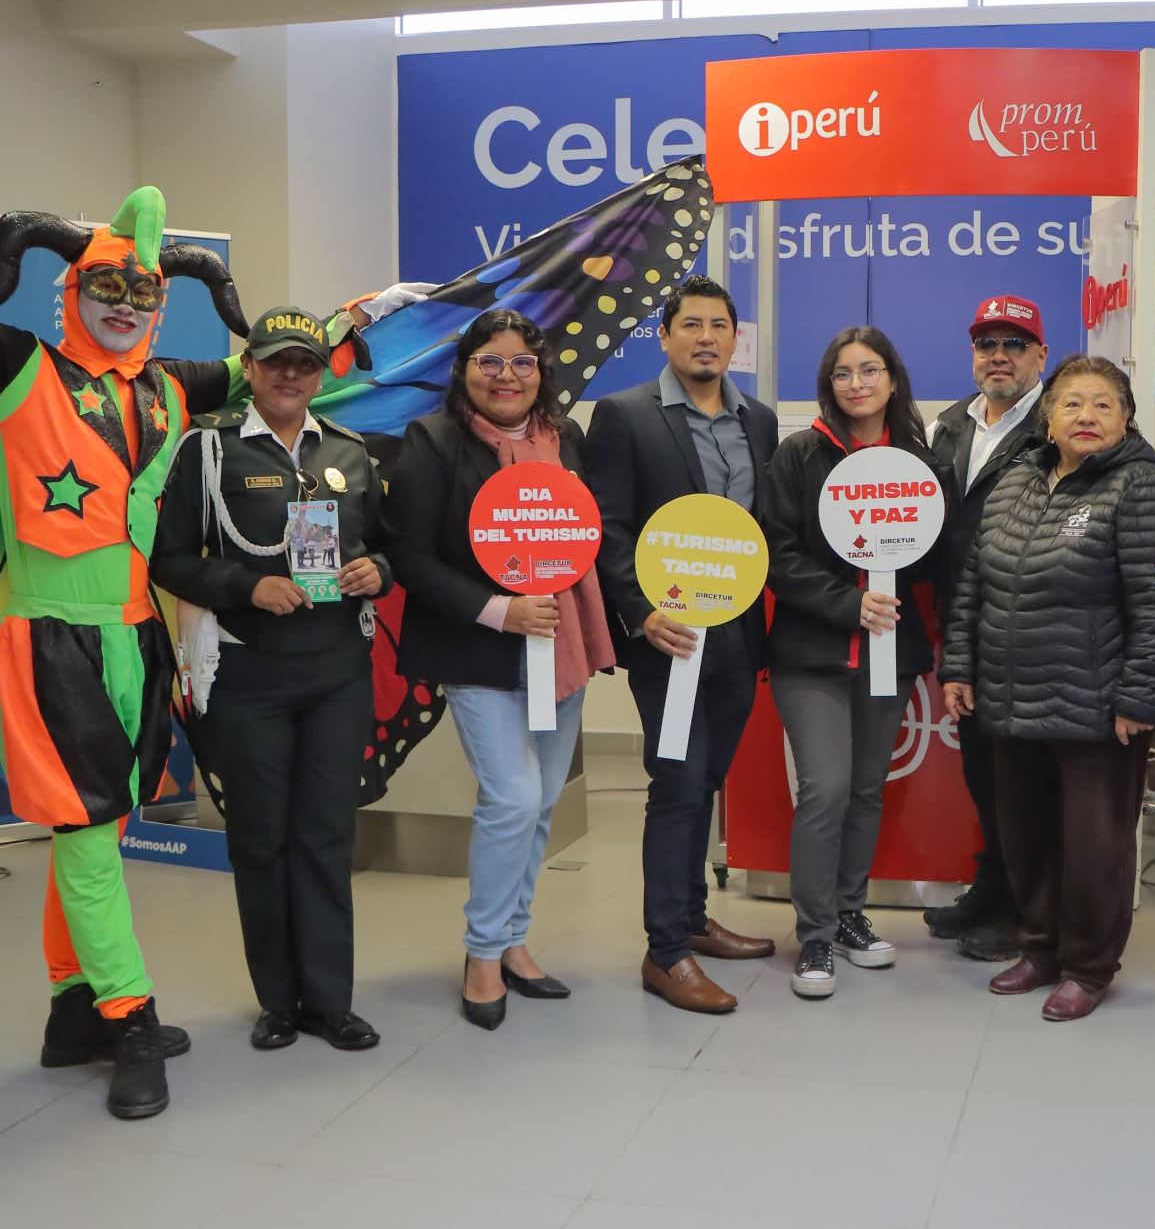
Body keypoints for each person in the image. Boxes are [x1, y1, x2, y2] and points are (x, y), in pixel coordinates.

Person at [0, 188, 246, 1119]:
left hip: (138, 634)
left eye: (143, 290)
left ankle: (73, 1010)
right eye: (104, 282)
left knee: (91, 824)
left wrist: (364, 318)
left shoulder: (167, 386)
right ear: (70, 288)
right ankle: (130, 1013)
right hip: (48, 633)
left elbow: (277, 364)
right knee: (90, 833)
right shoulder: (20, 368)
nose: (125, 302)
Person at [151, 306, 390, 1053]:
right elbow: (167, 558)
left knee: (324, 834)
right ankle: (277, 1001)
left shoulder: (351, 453)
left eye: (305, 363)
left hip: (335, 675)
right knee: (260, 839)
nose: (291, 374)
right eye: (276, 361)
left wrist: (377, 570)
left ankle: (329, 1000)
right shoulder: (208, 452)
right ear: (249, 367)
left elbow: (394, 550)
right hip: (247, 672)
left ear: (321, 374)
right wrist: (245, 586)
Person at [940, 355, 1155, 1021]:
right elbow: (973, 584)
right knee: (1024, 835)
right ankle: (1041, 946)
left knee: (1093, 846)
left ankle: (1088, 964)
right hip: (1009, 698)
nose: (1086, 415)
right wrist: (959, 665)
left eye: (1102, 404)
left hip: (1097, 709)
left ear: (1127, 418)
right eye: (1072, 403)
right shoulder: (1018, 478)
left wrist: (1141, 697)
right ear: (1048, 417)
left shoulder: (1142, 488)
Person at [386, 308, 615, 1030]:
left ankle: (515, 939)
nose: (506, 375)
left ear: (542, 370)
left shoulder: (564, 438)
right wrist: (498, 610)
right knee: (512, 795)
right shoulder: (433, 440)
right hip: (482, 647)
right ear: (465, 370)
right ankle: (482, 951)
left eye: (521, 361)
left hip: (561, 640)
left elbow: (585, 533)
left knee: (544, 795)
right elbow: (410, 555)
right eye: (490, 360)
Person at [584, 275, 780, 1015]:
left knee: (707, 778)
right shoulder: (626, 415)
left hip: (737, 633)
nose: (706, 336)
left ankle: (693, 916)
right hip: (668, 637)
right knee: (675, 779)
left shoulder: (757, 420)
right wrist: (639, 614)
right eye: (691, 324)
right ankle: (665, 950)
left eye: (719, 325)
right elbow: (609, 526)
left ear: (736, 339)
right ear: (664, 337)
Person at [764, 327, 941, 998]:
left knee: (867, 788)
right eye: (844, 372)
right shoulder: (799, 453)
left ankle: (847, 913)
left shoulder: (921, 461)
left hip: (891, 654)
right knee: (827, 788)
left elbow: (935, 549)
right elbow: (777, 554)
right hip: (811, 653)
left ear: (893, 381)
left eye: (871, 370)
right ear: (828, 384)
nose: (858, 383)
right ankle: (813, 932)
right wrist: (850, 602)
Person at [923, 294, 1049, 963]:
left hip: (1027, 628)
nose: (998, 356)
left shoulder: (1059, 427)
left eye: (1013, 344)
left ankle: (1028, 912)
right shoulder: (950, 425)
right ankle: (993, 883)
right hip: (964, 623)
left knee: (1022, 777)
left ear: (1040, 356)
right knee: (982, 768)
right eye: (986, 345)